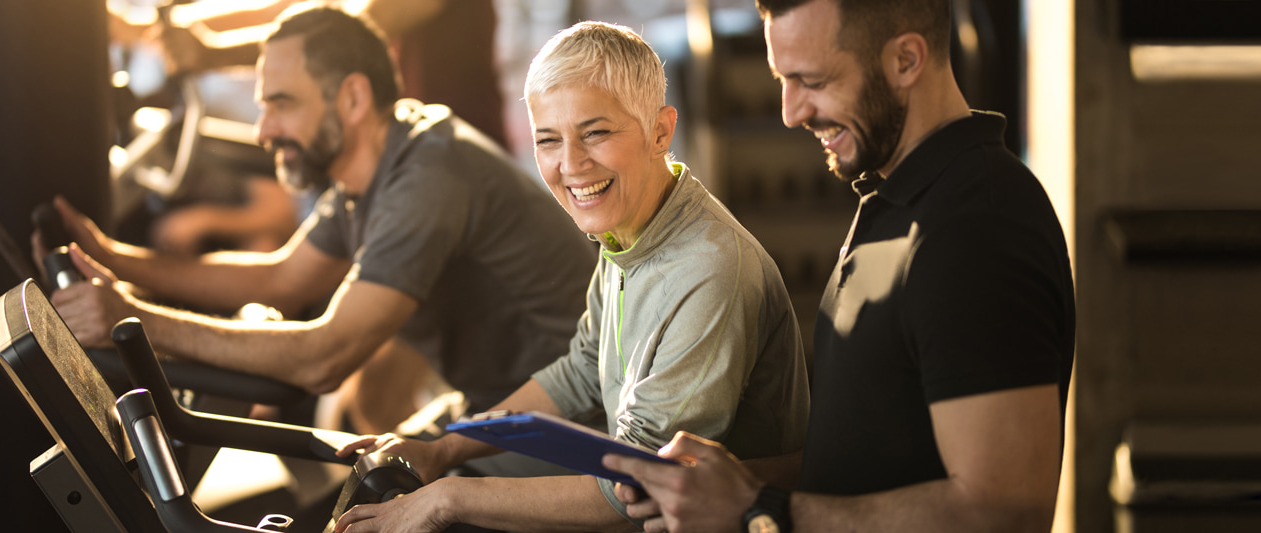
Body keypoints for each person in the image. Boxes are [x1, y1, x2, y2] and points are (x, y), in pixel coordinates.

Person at [603, 0, 1077, 531]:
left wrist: (758, 511)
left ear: (906, 60)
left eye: (813, 80)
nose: (790, 112)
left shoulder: (978, 226)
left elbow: (1005, 509)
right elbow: (864, 462)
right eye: (783, 79)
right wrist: (725, 484)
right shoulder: (894, 197)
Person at [331, 21, 810, 533]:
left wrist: (450, 497)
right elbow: (581, 370)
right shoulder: (628, 225)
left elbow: (639, 484)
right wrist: (442, 449)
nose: (571, 164)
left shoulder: (710, 268)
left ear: (660, 133)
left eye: (596, 133)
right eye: (548, 140)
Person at [44, 5, 596, 432]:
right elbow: (280, 278)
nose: (263, 131)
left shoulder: (427, 174)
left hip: (577, 434)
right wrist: (113, 258)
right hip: (506, 408)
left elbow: (323, 358)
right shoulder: (371, 169)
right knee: (364, 440)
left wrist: (130, 320)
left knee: (374, 467)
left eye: (281, 104)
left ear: (353, 99)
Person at [151, 0, 508, 149]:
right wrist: (148, 30)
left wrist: (212, 52)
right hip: (405, 149)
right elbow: (299, 9)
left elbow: (350, 29)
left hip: (453, 153)